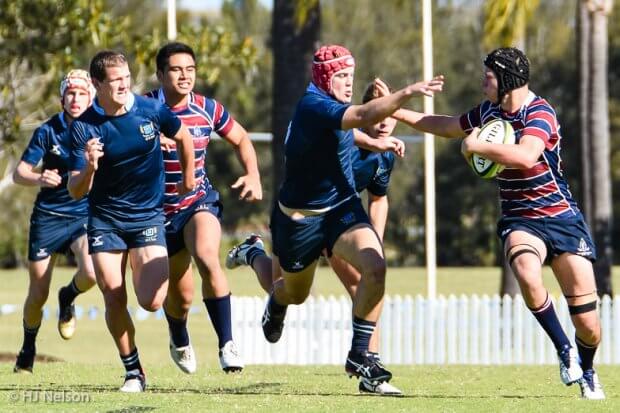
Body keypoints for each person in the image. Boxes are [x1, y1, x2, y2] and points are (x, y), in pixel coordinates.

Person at [386, 47, 604, 400]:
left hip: (561, 218)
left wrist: (476, 147)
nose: (482, 81)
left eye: (488, 75)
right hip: (520, 218)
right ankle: (565, 351)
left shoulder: (540, 112)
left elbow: (525, 155)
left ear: (506, 80)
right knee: (526, 271)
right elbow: (446, 125)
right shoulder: (488, 112)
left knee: (590, 327)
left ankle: (588, 369)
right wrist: (397, 110)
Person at [239, 44, 442, 391]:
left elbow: (352, 131)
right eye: (341, 76)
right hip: (300, 219)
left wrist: (378, 146)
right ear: (323, 77)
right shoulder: (312, 105)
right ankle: (255, 258)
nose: (348, 83)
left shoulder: (334, 108)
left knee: (375, 267)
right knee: (292, 292)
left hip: (341, 208)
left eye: (351, 75)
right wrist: (407, 93)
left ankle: (362, 357)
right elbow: (359, 118)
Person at [226, 79, 402, 395]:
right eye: (380, 113)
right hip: (300, 217)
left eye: (392, 113)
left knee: (366, 281)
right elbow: (350, 129)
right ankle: (253, 253)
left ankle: (368, 366)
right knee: (284, 289)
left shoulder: (386, 155)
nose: (386, 121)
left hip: (339, 223)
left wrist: (373, 241)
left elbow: (379, 198)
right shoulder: (340, 131)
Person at [68, 51, 195, 393]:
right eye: (115, 80)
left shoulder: (151, 110)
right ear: (97, 85)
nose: (124, 84)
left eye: (127, 77)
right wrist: (90, 167)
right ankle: (133, 371)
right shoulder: (83, 127)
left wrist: (188, 177)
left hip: (147, 217)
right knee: (112, 295)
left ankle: (175, 328)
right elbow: (75, 189)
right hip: (105, 219)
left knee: (151, 301)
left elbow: (183, 136)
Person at [145, 41, 261, 374]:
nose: (185, 76)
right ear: (160, 74)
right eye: (177, 69)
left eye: (190, 69)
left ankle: (227, 343)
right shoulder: (143, 107)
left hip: (197, 202)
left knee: (208, 255)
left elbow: (241, 138)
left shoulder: (208, 108)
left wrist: (253, 173)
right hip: (155, 213)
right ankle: (178, 334)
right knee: (179, 298)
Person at [12, 70, 97, 373]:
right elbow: (18, 173)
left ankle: (68, 295)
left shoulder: (100, 129)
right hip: (48, 218)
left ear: (92, 97)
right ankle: (28, 347)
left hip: (83, 215)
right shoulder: (48, 131)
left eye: (82, 93)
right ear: (62, 97)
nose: (75, 99)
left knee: (91, 271)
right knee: (37, 294)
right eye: (70, 93)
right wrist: (38, 177)